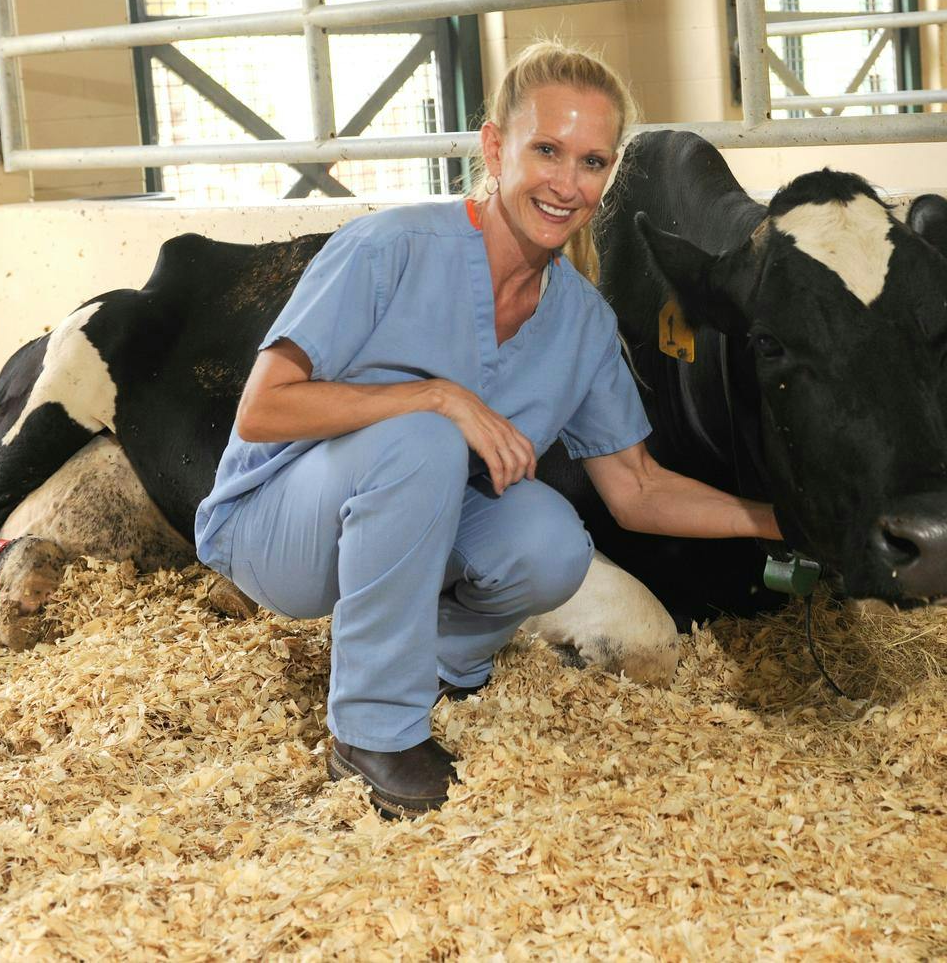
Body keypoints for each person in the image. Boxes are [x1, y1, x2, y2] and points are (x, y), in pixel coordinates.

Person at [193, 41, 781, 818]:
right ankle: (372, 733)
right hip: (279, 525)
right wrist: (437, 397)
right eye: (547, 150)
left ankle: (429, 658)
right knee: (425, 435)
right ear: (495, 147)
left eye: (593, 162)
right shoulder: (389, 248)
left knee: (554, 538)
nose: (568, 184)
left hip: (411, 533)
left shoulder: (581, 319)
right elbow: (264, 408)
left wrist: (779, 519)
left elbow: (636, 490)